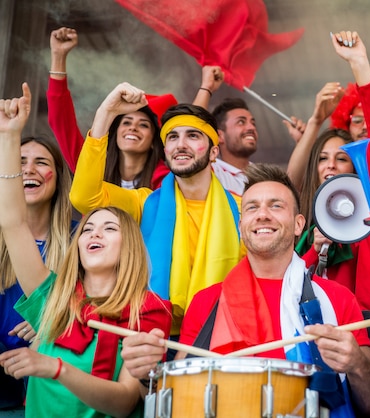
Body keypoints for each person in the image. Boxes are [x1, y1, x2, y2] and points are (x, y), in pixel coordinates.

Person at [121, 163, 370, 417]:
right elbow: (175, 395)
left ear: (299, 224)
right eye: (252, 207)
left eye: (276, 205)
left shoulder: (337, 298)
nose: (263, 214)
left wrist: (357, 362)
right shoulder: (207, 301)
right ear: (241, 226)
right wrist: (147, 374)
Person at [0, 83, 172, 417]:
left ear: (131, 248)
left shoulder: (150, 311)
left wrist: (55, 368)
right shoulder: (53, 299)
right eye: (88, 228)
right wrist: (8, 136)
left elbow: (124, 402)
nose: (94, 233)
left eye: (110, 228)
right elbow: (12, 222)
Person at [69, 83, 245, 335]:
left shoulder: (243, 210)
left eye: (193, 136)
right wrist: (106, 112)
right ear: (165, 150)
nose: (180, 144)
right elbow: (84, 197)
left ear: (214, 151)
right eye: (172, 137)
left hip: (222, 336)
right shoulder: (144, 203)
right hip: (153, 336)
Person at [287, 30, 370, 207]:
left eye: (342, 159)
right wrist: (315, 121)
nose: (330, 165)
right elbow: (290, 184)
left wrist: (359, 62)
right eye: (357, 120)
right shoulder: (309, 204)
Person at [0, 135, 74, 411]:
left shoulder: (82, 238)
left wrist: (54, 319)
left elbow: (96, 306)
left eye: (41, 162)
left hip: (54, 381)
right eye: (19, 163)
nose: (29, 169)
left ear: (57, 179)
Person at [48, 27, 174, 190]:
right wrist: (58, 56)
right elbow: (62, 123)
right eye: (126, 122)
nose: (133, 128)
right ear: (115, 135)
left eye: (143, 124)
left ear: (153, 141)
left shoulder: (167, 182)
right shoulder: (91, 168)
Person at [295, 128, 370, 315]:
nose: (330, 165)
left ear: (353, 168)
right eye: (323, 158)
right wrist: (314, 252)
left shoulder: (365, 224)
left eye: (341, 159)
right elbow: (290, 287)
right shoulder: (298, 218)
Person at [210, 97, 258, 200]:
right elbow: (191, 129)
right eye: (241, 122)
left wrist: (301, 143)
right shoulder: (211, 172)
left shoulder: (263, 175)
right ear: (219, 136)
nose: (252, 128)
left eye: (253, 123)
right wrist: (206, 89)